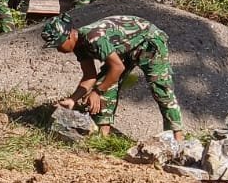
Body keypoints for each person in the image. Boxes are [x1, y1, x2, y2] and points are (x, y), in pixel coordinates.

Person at [42, 14, 185, 140]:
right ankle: (103, 135)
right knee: (104, 82)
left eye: (58, 45)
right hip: (125, 48)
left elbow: (118, 68)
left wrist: (97, 92)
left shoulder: (93, 38)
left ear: (69, 36)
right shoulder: (78, 46)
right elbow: (90, 76)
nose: (58, 50)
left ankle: (177, 139)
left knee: (160, 87)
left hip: (148, 41)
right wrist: (73, 99)